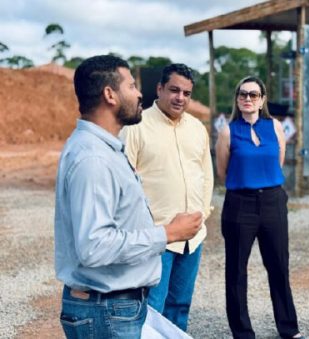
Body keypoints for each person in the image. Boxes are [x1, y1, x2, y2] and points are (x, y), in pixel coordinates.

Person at [54, 55, 202, 338]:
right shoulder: (93, 158)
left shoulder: (103, 149)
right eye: (131, 85)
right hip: (106, 310)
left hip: (111, 307)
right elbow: (94, 246)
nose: (139, 93)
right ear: (110, 94)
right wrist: (167, 233)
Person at [120, 63, 213, 331]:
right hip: (157, 238)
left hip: (193, 238)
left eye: (186, 93)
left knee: (181, 305)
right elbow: (125, 182)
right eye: (174, 90)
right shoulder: (136, 126)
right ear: (159, 89)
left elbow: (206, 175)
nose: (180, 98)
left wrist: (201, 215)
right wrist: (147, 229)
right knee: (152, 309)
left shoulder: (197, 128)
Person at [215, 76, 304, 339]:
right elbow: (223, 171)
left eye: (253, 95)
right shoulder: (228, 131)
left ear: (262, 99)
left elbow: (277, 161)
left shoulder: (275, 126)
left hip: (272, 202)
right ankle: (242, 332)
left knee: (278, 266)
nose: (248, 99)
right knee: (236, 270)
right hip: (239, 203)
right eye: (243, 94)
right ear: (237, 98)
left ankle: (288, 328)